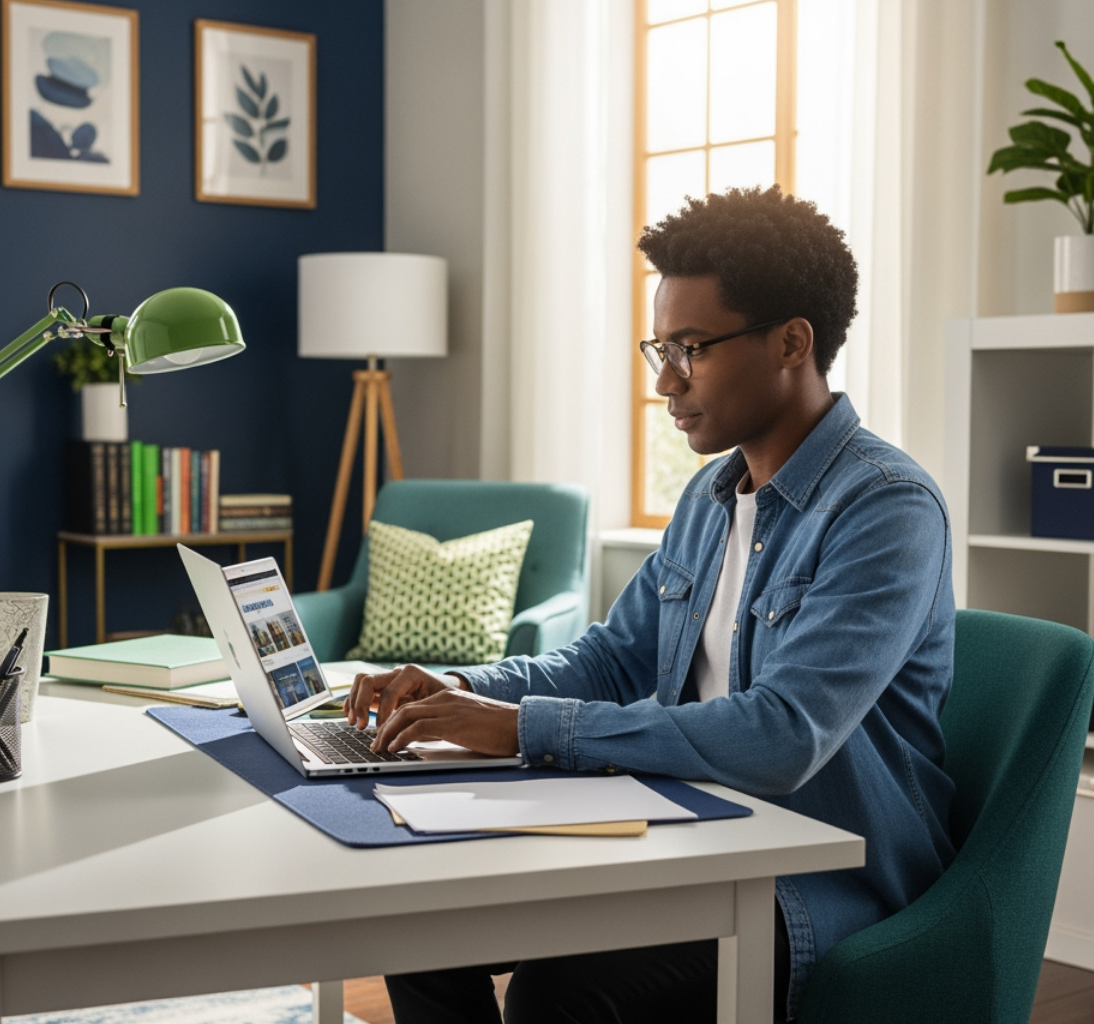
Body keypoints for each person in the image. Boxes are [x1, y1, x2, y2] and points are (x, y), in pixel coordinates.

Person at [346, 185, 956, 1024]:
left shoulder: (887, 509)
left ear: (791, 342)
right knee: (416, 918)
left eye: (692, 348)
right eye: (659, 348)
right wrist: (454, 692)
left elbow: (782, 736)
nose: (665, 380)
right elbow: (609, 659)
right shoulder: (711, 494)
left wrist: (523, 727)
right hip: (686, 832)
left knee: (562, 994)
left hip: (813, 878)